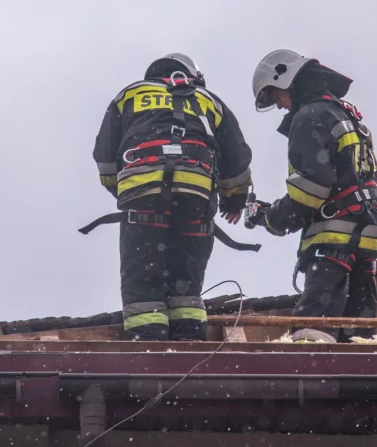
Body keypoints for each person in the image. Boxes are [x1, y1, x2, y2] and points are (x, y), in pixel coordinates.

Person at [88, 53, 253, 341]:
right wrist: (233, 202)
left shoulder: (130, 95)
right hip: (196, 200)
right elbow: (237, 161)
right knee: (186, 288)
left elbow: (104, 158)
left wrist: (127, 192)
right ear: (193, 77)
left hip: (142, 201)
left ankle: (149, 349)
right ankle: (188, 345)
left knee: (142, 285)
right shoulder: (209, 100)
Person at [245, 49, 377, 343]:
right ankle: (360, 382)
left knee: (314, 327)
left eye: (277, 97)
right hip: (367, 233)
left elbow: (312, 188)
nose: (281, 106)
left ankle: (312, 378)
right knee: (359, 334)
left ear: (287, 81)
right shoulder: (344, 113)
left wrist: (271, 217)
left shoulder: (310, 116)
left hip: (335, 238)